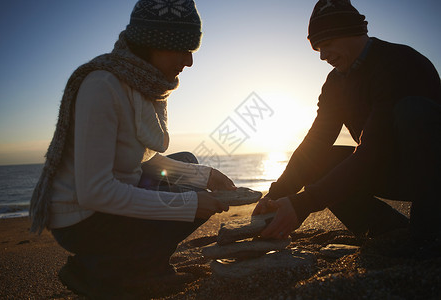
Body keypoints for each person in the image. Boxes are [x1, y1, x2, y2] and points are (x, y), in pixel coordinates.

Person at [29, 0, 236, 297]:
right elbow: (95, 192)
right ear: (154, 42)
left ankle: (137, 263)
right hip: (82, 220)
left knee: (191, 168)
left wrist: (205, 177)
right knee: (191, 198)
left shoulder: (143, 83)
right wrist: (189, 204)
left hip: (106, 206)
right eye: (183, 48)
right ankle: (102, 269)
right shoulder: (102, 86)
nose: (189, 61)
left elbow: (142, 161)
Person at [253, 0, 441, 246]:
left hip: (429, 171)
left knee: (413, 111)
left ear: (353, 32)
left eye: (327, 44)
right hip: (388, 169)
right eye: (318, 48)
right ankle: (387, 231)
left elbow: (374, 148)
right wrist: (276, 197)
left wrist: (303, 205)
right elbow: (315, 143)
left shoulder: (400, 61)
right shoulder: (335, 83)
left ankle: (427, 234)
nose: (322, 56)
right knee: (317, 162)